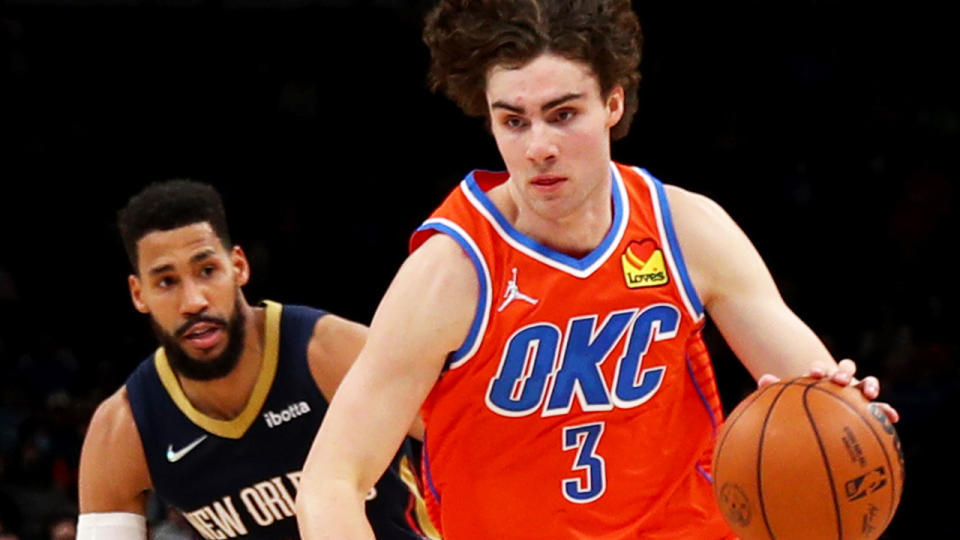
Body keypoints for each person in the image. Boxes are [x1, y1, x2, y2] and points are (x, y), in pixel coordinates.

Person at [295, 1, 899, 538]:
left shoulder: (685, 229)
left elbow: (811, 390)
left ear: (612, 103)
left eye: (562, 115)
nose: (538, 147)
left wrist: (845, 405)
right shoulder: (450, 273)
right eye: (513, 120)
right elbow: (329, 484)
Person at [77, 180, 437, 540]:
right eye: (167, 282)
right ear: (139, 295)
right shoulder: (123, 430)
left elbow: (470, 440)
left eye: (207, 271)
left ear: (239, 266)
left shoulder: (328, 352)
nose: (194, 301)